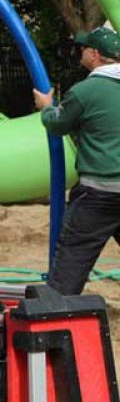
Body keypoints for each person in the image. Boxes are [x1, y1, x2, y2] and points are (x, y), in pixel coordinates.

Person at [34, 26, 120, 296]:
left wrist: (46, 106)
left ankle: (57, 317)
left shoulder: (86, 91)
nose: (79, 52)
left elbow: (56, 124)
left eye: (83, 48)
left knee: (72, 260)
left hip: (99, 193)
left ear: (95, 54)